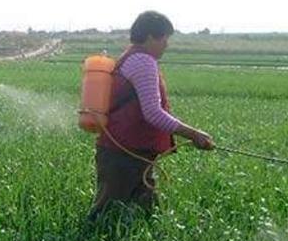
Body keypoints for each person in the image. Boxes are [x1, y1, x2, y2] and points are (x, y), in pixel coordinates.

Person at [88, 11, 215, 221]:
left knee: (146, 216)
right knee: (104, 216)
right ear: (150, 37)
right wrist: (193, 134)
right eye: (164, 38)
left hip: (129, 152)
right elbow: (153, 113)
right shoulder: (143, 62)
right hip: (125, 155)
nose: (167, 44)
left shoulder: (130, 57)